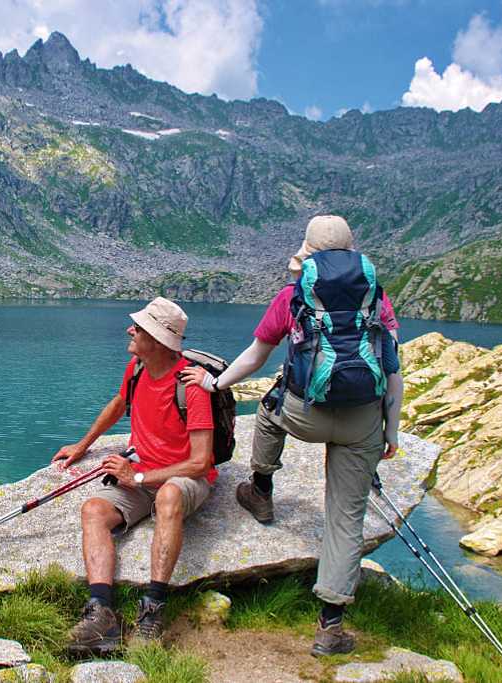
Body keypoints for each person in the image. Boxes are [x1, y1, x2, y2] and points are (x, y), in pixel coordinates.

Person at [180, 215, 404, 658]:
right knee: (345, 517)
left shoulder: (292, 297)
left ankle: (260, 488)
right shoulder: (377, 299)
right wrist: (389, 432)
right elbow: (393, 371)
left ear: (307, 253)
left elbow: (255, 356)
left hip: (304, 415)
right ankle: (330, 626)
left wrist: (215, 384)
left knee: (267, 410)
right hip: (361, 423)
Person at [52, 297, 215, 656]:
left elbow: (201, 463)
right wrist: (82, 445)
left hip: (180, 477)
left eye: (138, 329)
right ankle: (102, 614)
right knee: (94, 510)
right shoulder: (138, 367)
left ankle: (153, 608)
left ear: (157, 340)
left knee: (169, 497)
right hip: (141, 474)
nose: (130, 330)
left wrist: (139, 479)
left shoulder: (191, 387)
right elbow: (118, 403)